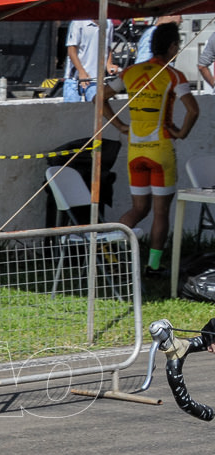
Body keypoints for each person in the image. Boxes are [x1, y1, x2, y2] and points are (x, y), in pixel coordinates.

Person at [102, 22, 198, 278]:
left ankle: (108, 247)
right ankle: (153, 266)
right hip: (161, 150)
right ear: (173, 46)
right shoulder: (172, 74)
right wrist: (182, 132)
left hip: (136, 151)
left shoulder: (130, 72)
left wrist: (120, 125)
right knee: (160, 211)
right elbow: (193, 110)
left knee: (139, 208)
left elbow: (98, 97)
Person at [64, 19, 116, 103]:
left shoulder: (108, 23)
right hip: (75, 79)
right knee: (72, 112)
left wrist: (109, 63)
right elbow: (71, 51)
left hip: (95, 80)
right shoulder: (78, 23)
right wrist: (81, 71)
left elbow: (108, 47)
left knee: (96, 109)